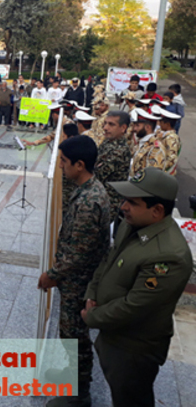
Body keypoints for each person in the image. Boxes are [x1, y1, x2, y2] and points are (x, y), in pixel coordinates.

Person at [82, 168, 193, 407]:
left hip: (132, 349)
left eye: (132, 202)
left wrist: (93, 316)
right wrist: (92, 292)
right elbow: (109, 259)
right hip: (113, 335)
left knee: (131, 399)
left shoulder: (168, 255)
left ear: (157, 210)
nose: (123, 206)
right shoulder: (132, 224)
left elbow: (135, 306)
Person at [39, 135, 111, 407]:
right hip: (77, 279)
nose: (60, 166)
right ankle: (73, 375)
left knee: (76, 336)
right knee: (70, 334)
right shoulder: (87, 190)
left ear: (80, 165)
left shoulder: (89, 200)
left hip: (79, 282)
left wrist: (51, 275)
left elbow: (78, 253)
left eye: (64, 161)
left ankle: (79, 394)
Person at [94, 111, 131, 219]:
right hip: (98, 198)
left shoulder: (119, 150)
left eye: (111, 124)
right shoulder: (107, 142)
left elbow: (97, 174)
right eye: (105, 123)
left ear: (123, 128)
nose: (105, 128)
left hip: (106, 204)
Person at [129, 108, 165, 179]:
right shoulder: (142, 142)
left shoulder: (155, 148)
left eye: (137, 126)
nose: (134, 129)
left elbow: (152, 177)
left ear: (147, 127)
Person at [151, 106, 181, 176]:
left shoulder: (171, 138)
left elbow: (171, 159)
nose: (159, 124)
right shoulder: (165, 134)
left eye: (161, 122)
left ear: (167, 124)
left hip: (164, 173)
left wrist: (157, 167)